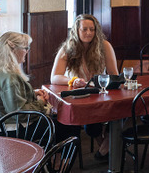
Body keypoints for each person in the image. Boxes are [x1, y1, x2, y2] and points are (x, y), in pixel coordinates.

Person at [0, 32, 76, 173]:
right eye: (25, 48)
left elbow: (12, 102)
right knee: (70, 125)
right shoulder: (9, 77)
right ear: (13, 50)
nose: (27, 51)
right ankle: (60, 169)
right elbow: (19, 113)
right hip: (18, 129)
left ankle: (52, 164)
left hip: (2, 126)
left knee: (61, 123)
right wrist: (42, 102)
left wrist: (33, 94)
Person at [51, 14, 118, 160]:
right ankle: (108, 150)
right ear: (76, 30)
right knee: (92, 124)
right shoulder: (67, 48)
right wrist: (72, 80)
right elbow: (54, 77)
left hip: (101, 94)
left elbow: (114, 75)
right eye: (84, 29)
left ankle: (105, 149)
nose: (88, 33)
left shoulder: (104, 46)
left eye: (92, 30)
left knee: (122, 114)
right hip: (80, 98)